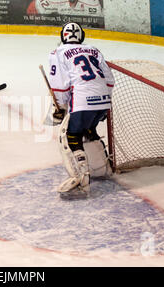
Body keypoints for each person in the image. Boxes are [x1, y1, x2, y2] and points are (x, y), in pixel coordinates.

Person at [47, 22, 113, 197]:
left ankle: (81, 178)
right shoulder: (94, 50)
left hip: (83, 99)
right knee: (89, 129)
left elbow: (60, 86)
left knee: (72, 136)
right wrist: (104, 101)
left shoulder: (57, 53)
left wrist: (60, 107)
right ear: (81, 36)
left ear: (63, 36)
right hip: (105, 99)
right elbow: (110, 80)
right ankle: (103, 168)